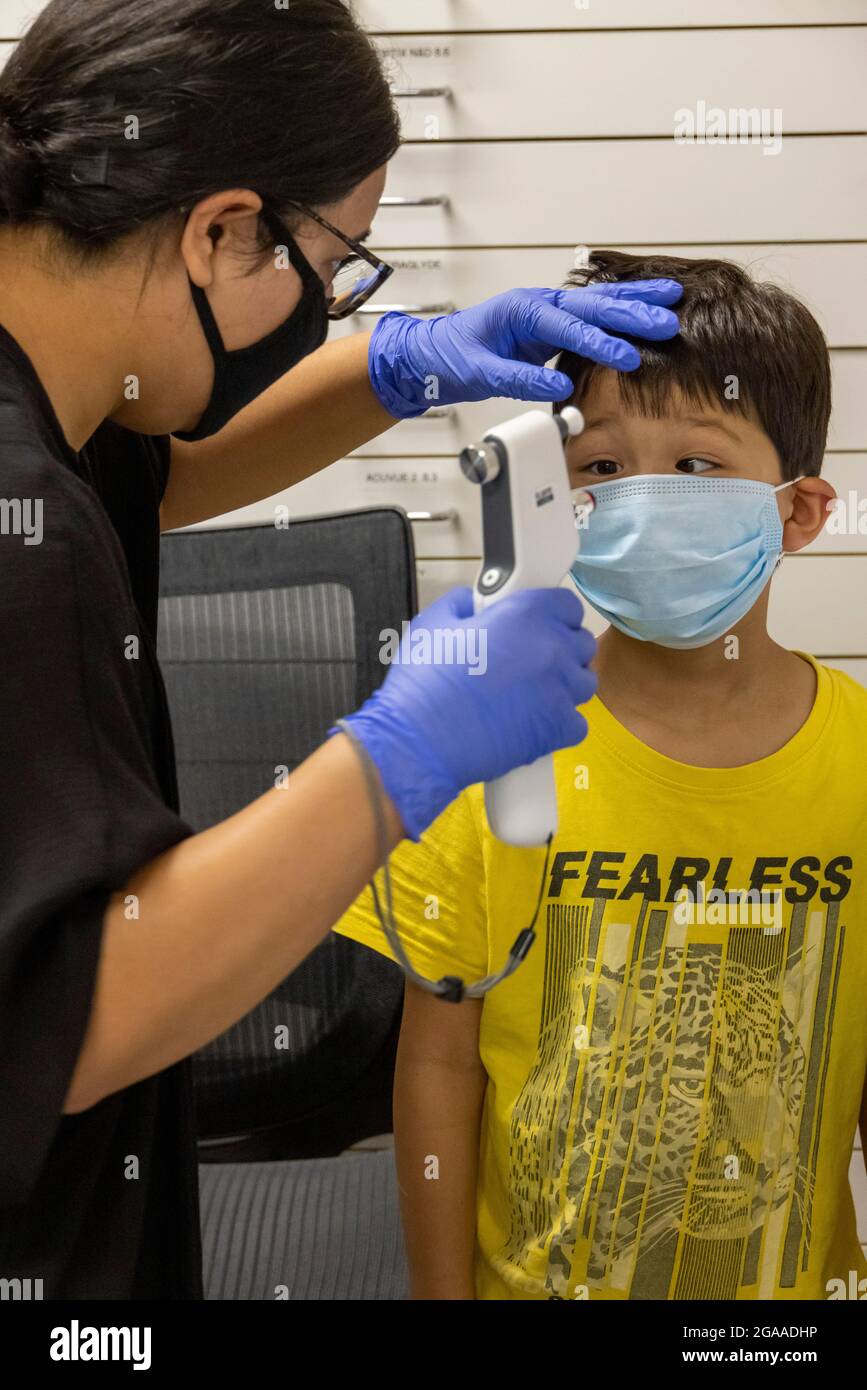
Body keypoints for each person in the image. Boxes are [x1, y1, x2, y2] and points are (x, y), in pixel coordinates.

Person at [0, 2, 684, 1298]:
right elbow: (68, 1022)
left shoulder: (53, 400)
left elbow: (155, 470)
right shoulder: (20, 529)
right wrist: (398, 755)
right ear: (221, 229)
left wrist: (401, 367)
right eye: (331, 268)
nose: (327, 312)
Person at [334, 250, 867, 1301]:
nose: (643, 501)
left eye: (697, 465)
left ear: (799, 512)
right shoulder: (488, 744)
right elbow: (438, 1062)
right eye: (602, 466)